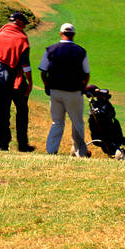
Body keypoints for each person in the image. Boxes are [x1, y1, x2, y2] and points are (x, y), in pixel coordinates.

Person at [39, 23, 91, 157]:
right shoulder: (81, 51)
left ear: (60, 33)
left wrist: (47, 85)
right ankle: (79, 152)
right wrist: (83, 87)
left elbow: (43, 72)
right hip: (74, 92)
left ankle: (51, 151)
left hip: (55, 91)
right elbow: (86, 73)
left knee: (57, 122)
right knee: (77, 122)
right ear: (73, 34)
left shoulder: (50, 50)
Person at [0, 12, 34, 152]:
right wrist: (30, 82)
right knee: (21, 111)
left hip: (0, 80)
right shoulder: (21, 39)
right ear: (19, 22)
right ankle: (22, 145)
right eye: (24, 24)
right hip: (17, 80)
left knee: (2, 112)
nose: (25, 27)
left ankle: (3, 144)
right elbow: (26, 65)